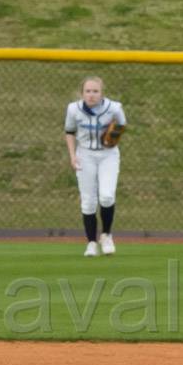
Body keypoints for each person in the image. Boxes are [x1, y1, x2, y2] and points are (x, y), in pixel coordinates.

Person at [64, 77, 126, 257]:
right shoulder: (73, 109)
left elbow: (121, 124)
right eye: (88, 91)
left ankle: (106, 235)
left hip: (108, 155)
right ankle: (91, 242)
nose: (91, 95)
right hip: (85, 154)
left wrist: (112, 136)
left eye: (95, 91)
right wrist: (73, 155)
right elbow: (69, 131)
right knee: (88, 201)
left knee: (106, 196)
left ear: (102, 93)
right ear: (82, 93)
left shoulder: (114, 108)